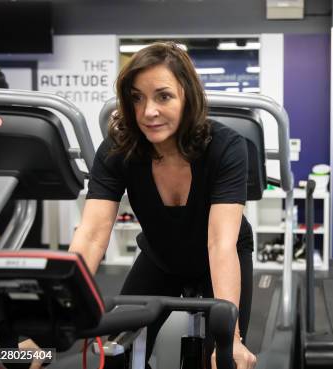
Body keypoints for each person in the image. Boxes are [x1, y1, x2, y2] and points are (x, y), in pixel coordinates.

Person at [66, 42, 256, 369]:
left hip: (224, 255)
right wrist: (59, 311)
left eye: (163, 96)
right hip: (161, 255)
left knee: (224, 360)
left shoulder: (226, 146)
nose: (148, 111)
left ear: (188, 96)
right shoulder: (119, 147)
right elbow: (93, 233)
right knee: (115, 357)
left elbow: (219, 243)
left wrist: (232, 339)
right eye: (136, 97)